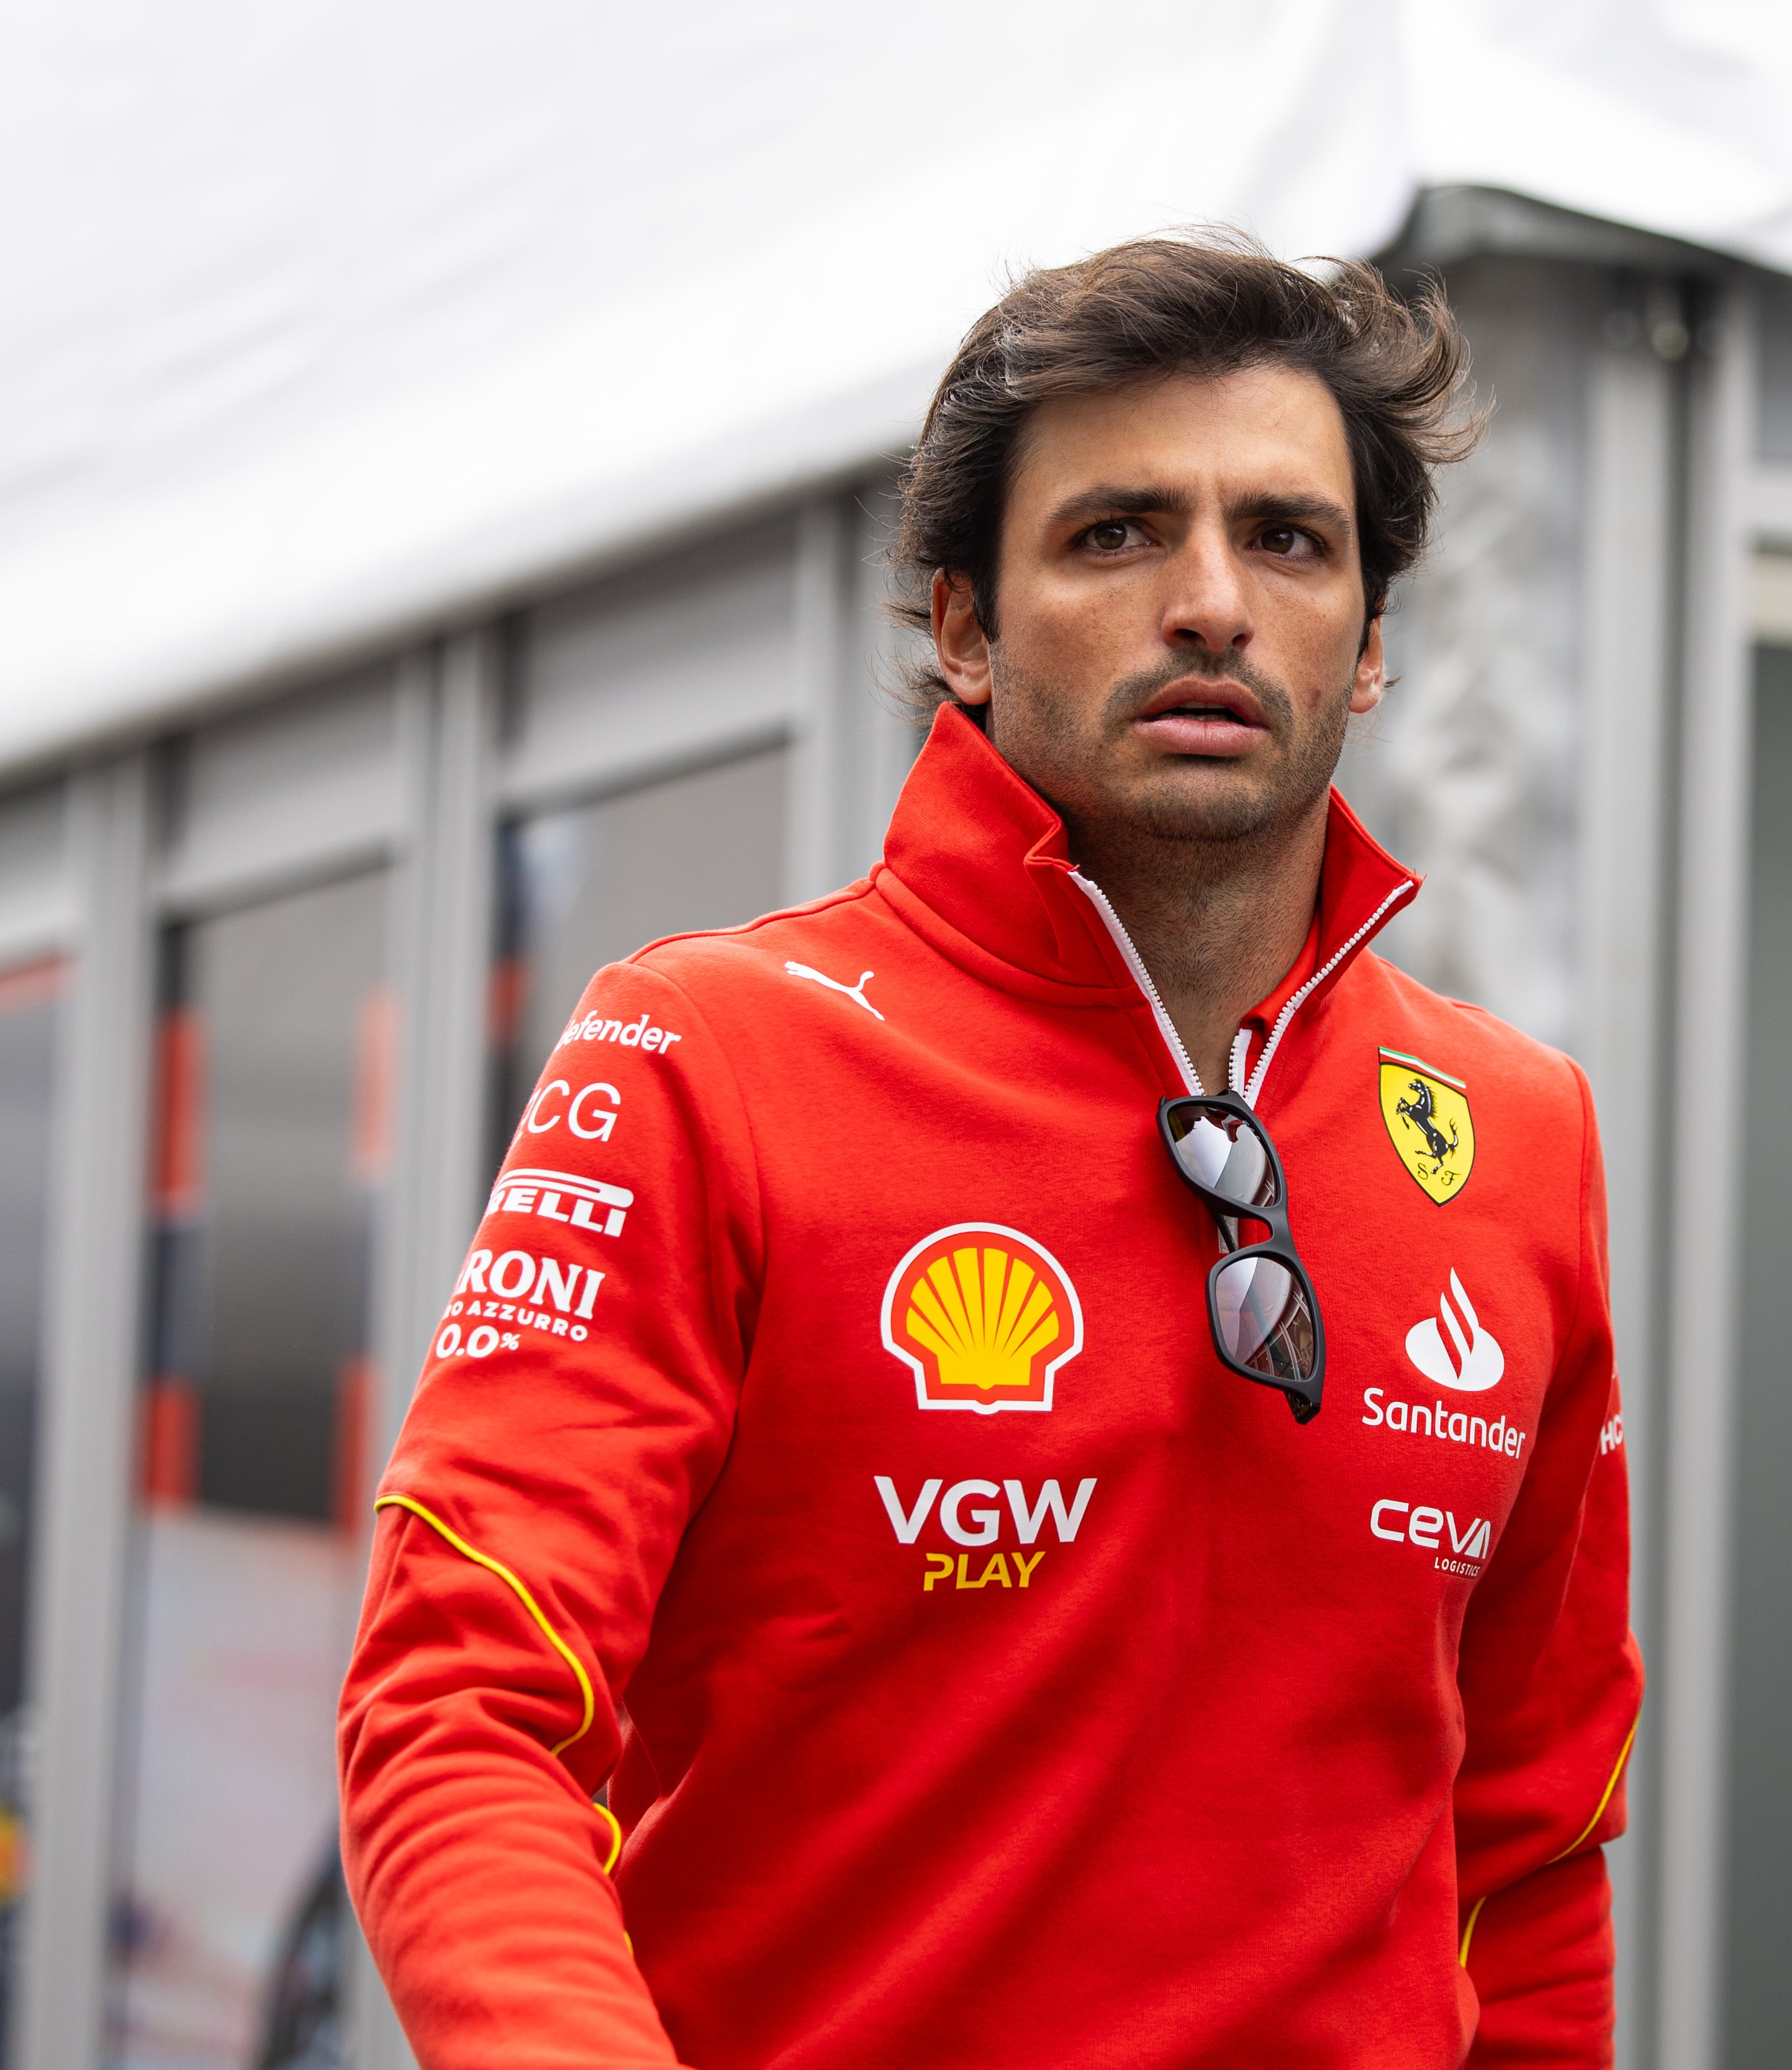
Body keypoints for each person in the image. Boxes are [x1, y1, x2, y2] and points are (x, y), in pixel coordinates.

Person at [337, 236, 1641, 2069]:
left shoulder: (1520, 1135)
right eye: (1117, 534)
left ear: (1368, 649)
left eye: (1288, 538)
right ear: (963, 625)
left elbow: (1534, 1840)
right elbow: (460, 1713)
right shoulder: (707, 1053)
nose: (1212, 603)